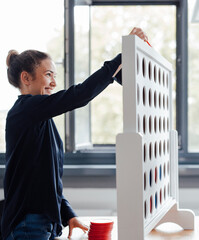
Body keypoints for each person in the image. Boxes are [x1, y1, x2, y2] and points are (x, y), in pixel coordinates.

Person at [2, 27, 148, 240]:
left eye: (55, 75)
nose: (53, 82)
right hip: (28, 225)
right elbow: (80, 95)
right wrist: (121, 58)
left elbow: (43, 178)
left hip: (43, 223)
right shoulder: (25, 110)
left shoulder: (39, 119)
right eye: (48, 74)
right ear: (26, 78)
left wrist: (67, 213)